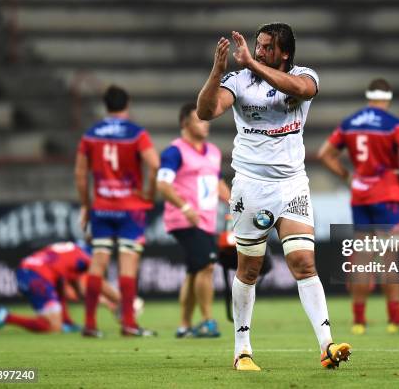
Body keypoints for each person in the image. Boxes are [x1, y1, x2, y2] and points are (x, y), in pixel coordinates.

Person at [197, 22, 351, 371]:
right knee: (248, 269)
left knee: (304, 263)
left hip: (293, 185)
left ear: (284, 52)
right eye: (258, 45)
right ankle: (242, 350)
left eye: (267, 47)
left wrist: (253, 63)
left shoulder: (304, 75)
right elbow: (205, 111)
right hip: (251, 186)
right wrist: (217, 71)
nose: (259, 50)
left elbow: (302, 89)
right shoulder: (238, 81)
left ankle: (327, 346)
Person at [317, 78, 399, 334]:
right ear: (387, 98)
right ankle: (395, 321)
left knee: (362, 259)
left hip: (360, 195)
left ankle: (358, 322)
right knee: (389, 260)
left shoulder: (350, 122)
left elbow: (324, 154)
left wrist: (347, 176)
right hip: (388, 194)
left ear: (369, 96)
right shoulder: (392, 124)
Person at [75, 85, 160, 337]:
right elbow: (154, 166)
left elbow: (80, 174)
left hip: (102, 207)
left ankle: (90, 324)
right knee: (128, 264)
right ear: (128, 102)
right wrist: (149, 194)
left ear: (105, 105)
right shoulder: (136, 133)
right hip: (130, 208)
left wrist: (85, 205)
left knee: (98, 262)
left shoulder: (91, 134)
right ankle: (129, 323)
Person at [157, 102, 231, 338]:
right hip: (185, 219)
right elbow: (162, 184)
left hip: (206, 220)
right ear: (184, 124)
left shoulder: (213, 152)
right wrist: (185, 206)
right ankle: (208, 320)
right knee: (208, 265)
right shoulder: (174, 151)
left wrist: (232, 203)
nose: (205, 124)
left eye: (206, 119)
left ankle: (184, 324)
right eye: (199, 120)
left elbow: (217, 182)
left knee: (194, 271)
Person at [0, 241, 120, 334]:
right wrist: (122, 300)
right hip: (37, 277)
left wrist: (107, 303)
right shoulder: (86, 258)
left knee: (59, 282)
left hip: (26, 272)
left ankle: (67, 322)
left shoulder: (72, 251)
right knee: (53, 327)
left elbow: (81, 293)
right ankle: (7, 317)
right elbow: (98, 283)